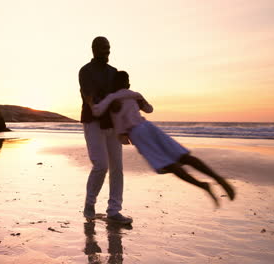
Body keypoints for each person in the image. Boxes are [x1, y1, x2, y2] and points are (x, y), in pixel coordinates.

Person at [91, 71, 235, 207]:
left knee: (170, 165)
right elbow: (149, 109)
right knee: (183, 156)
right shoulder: (135, 95)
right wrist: (140, 103)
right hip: (148, 126)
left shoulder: (112, 97)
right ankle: (218, 178)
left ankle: (202, 185)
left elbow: (97, 111)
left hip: (137, 134)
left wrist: (90, 101)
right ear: (128, 83)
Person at [79, 36, 133, 224]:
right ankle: (89, 205)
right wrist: (95, 105)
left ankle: (114, 210)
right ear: (94, 49)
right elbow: (88, 94)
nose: (106, 51)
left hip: (113, 124)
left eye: (108, 48)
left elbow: (122, 97)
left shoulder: (114, 72)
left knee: (117, 167)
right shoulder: (85, 71)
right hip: (93, 122)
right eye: (103, 48)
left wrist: (126, 124)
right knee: (101, 165)